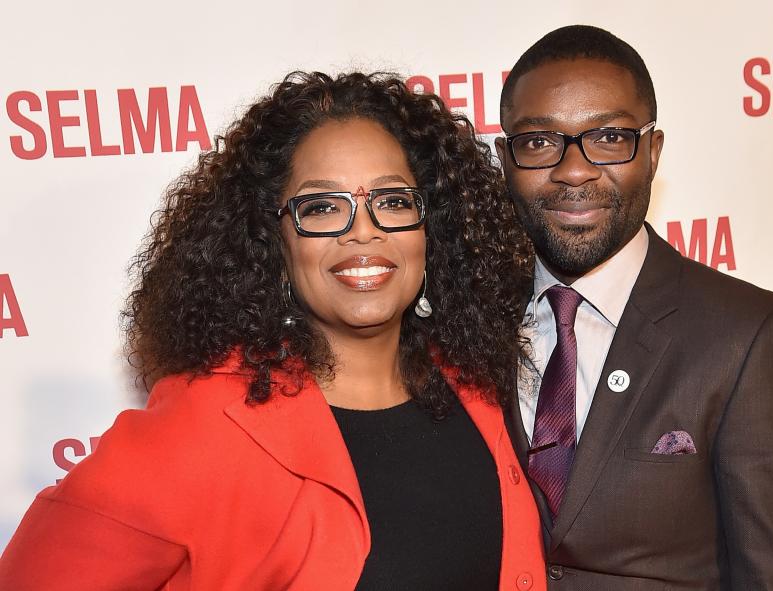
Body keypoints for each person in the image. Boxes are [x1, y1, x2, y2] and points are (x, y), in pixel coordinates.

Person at [0, 71, 547, 590]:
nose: (363, 232)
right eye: (322, 207)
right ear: (273, 238)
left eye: (392, 201)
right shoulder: (208, 421)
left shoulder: (475, 385)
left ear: (433, 226)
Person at [495, 25, 773, 589]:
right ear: (505, 159)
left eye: (608, 138)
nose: (573, 169)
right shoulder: (463, 321)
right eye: (538, 142)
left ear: (652, 152)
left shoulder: (748, 338)